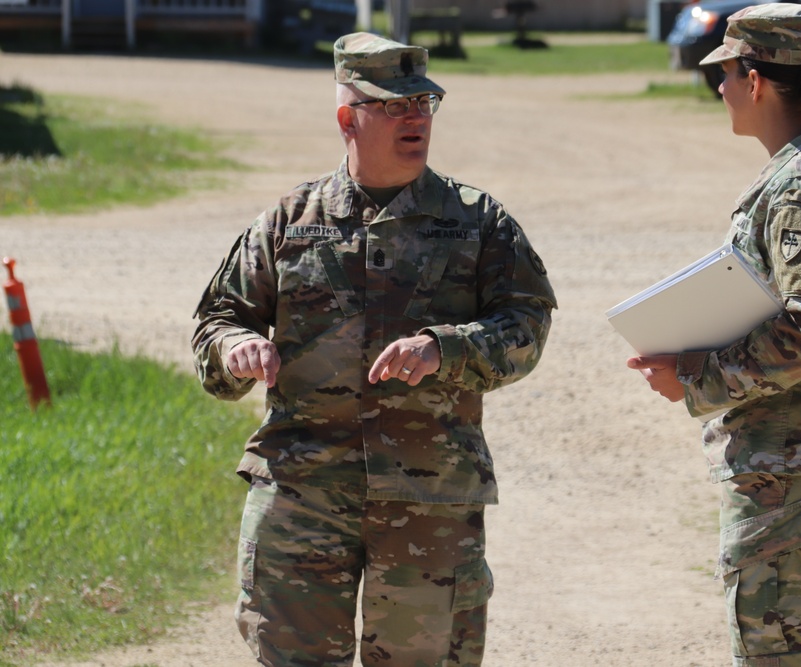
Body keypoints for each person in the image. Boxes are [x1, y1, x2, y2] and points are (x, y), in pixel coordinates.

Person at [192, 32, 556, 667]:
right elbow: (215, 321)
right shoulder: (288, 221)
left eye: (423, 103)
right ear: (347, 118)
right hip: (303, 495)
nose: (414, 118)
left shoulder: (479, 222)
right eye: (392, 105)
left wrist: (448, 349)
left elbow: (526, 327)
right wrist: (237, 348)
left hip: (429, 502)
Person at [626, 5, 801, 666]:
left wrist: (695, 375)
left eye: (724, 70)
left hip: (797, 477)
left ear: (758, 80)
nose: (717, 87)